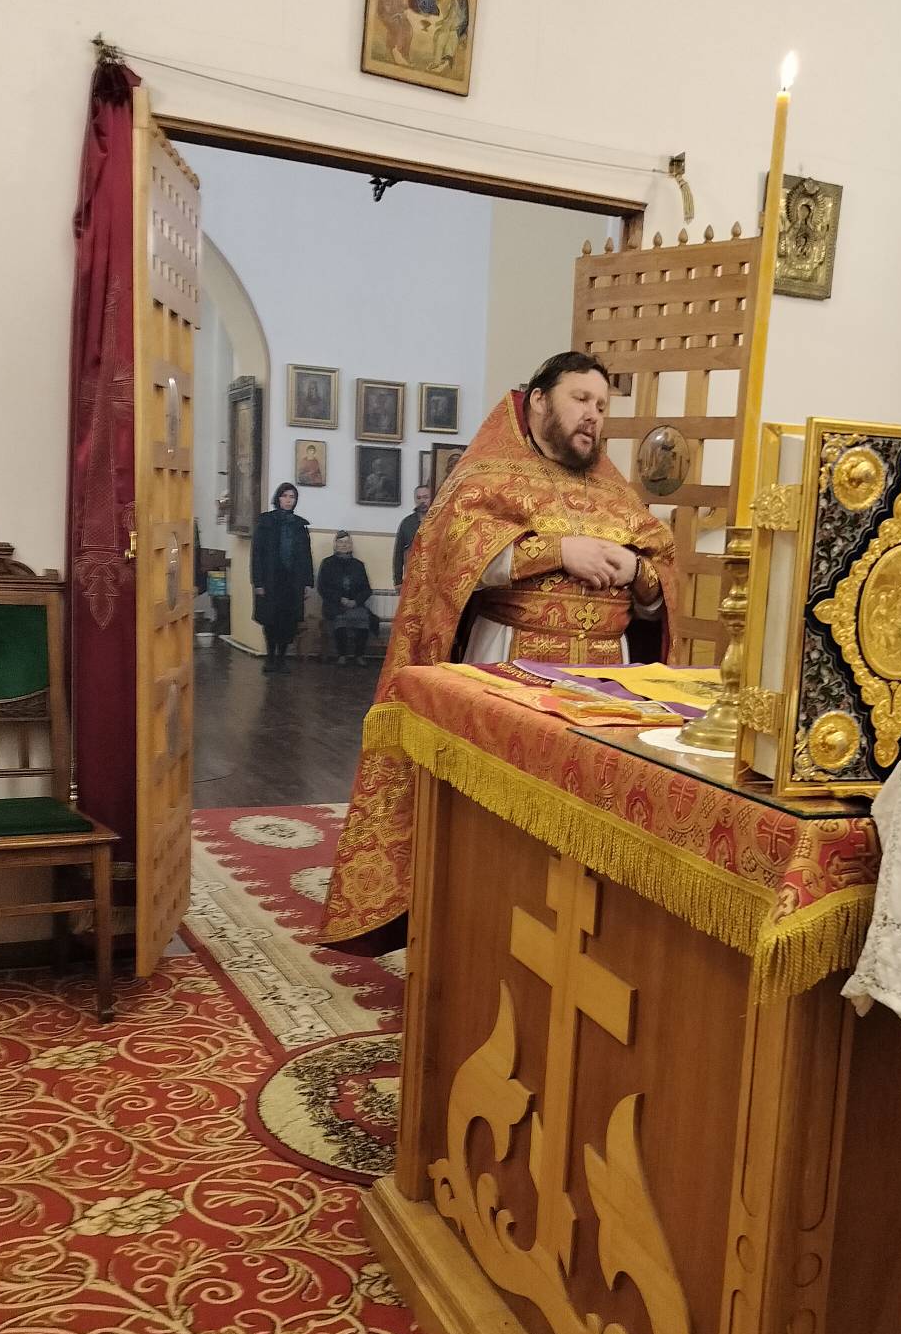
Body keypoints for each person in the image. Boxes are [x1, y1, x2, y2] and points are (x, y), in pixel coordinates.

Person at [321, 351, 675, 945]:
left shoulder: (618, 493)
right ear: (538, 400)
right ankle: (480, 935)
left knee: (586, 819)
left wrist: (640, 573)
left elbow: (661, 582)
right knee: (498, 817)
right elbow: (450, 556)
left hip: (607, 680)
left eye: (601, 405)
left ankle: (573, 945)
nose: (593, 415)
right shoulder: (486, 476)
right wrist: (557, 551)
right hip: (509, 663)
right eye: (580, 399)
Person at [251, 481, 314, 673]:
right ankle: (270, 657)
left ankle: (281, 658)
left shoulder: (300, 525)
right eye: (285, 496)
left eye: (292, 497)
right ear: (278, 498)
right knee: (271, 619)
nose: (288, 500)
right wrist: (258, 582)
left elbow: (306, 556)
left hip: (292, 580)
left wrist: (307, 582)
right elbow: (257, 554)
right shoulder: (266, 522)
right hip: (271, 579)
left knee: (289, 621)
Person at [317, 531, 377, 665]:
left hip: (355, 604)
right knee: (340, 619)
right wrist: (340, 599)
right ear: (335, 545)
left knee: (363, 618)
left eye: (347, 542)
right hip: (335, 604)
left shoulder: (358, 565)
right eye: (341, 542)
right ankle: (342, 655)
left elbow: (366, 589)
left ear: (351, 545)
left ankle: (359, 655)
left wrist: (356, 601)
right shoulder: (327, 563)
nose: (344, 545)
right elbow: (322, 588)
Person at [393, 483, 432, 585]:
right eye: (418, 498)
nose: (422, 501)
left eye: (425, 497)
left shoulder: (439, 521)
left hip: (434, 579)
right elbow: (398, 553)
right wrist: (398, 580)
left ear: (431, 498)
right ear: (415, 500)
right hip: (412, 579)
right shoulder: (407, 523)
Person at [431, 0, 469, 73]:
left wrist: (457, 27)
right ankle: (437, 60)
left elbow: (464, 17)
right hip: (449, 23)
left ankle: (437, 62)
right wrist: (441, 22)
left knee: (441, 37)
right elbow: (450, 14)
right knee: (437, 35)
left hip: (456, 25)